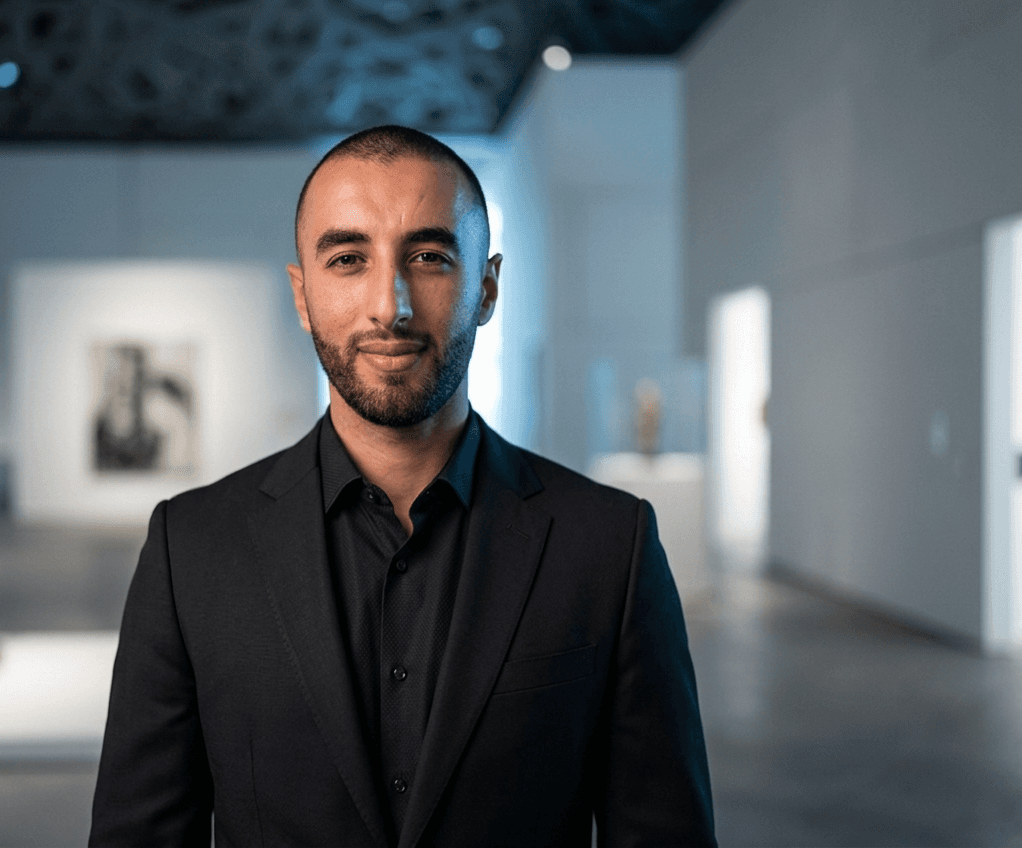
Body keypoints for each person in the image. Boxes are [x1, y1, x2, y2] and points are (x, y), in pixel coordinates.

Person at [89, 125, 715, 847]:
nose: (390, 306)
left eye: (428, 256)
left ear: (486, 287)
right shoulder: (192, 548)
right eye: (348, 258)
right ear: (302, 294)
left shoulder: (609, 545)